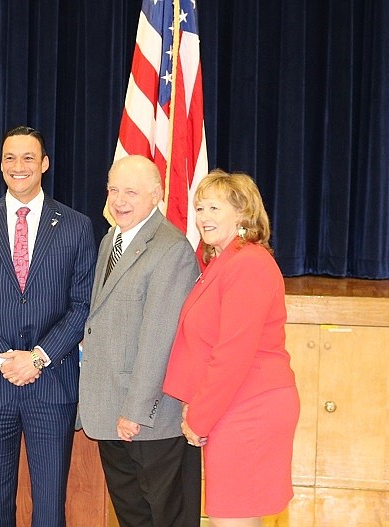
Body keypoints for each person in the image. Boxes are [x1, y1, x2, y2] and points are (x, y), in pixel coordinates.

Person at [0, 125, 97, 526]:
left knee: (49, 505)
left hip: (52, 382)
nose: (19, 166)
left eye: (28, 157)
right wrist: (3, 360)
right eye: (10, 157)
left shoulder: (76, 226)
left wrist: (39, 358)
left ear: (44, 164)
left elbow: (83, 304)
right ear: (0, 165)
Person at [163, 169, 300, 527]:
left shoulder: (249, 264)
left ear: (242, 213)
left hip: (249, 408)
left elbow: (233, 354)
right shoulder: (224, 263)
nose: (202, 218)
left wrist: (199, 416)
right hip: (236, 405)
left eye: (213, 208)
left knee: (233, 518)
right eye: (199, 208)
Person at [78, 155, 202, 527]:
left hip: (147, 419)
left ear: (157, 195)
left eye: (130, 191)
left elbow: (159, 337)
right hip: (109, 410)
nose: (119, 200)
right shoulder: (111, 240)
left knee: (166, 516)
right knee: (133, 516)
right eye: (113, 189)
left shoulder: (171, 249)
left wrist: (135, 409)